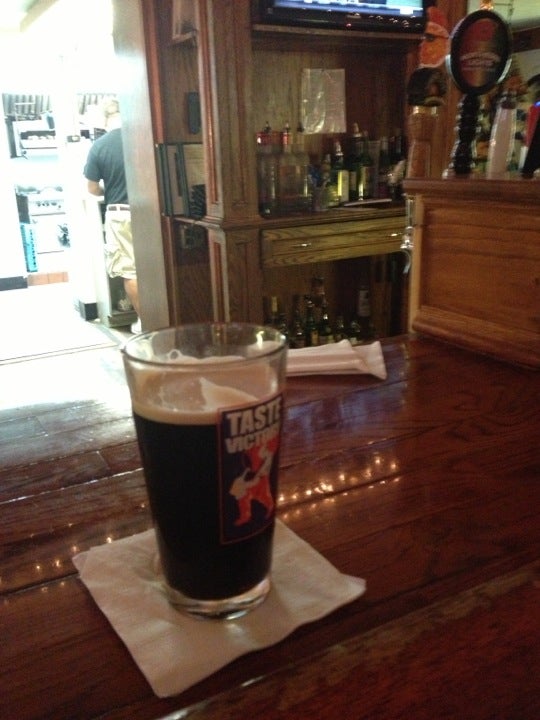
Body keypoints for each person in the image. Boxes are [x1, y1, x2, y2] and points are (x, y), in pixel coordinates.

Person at [84, 98, 140, 332]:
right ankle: (162, 319)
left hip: (121, 215)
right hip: (151, 213)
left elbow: (92, 188)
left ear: (105, 119)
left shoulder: (99, 146)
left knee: (131, 271)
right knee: (157, 265)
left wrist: (110, 190)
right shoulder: (142, 137)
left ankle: (146, 322)